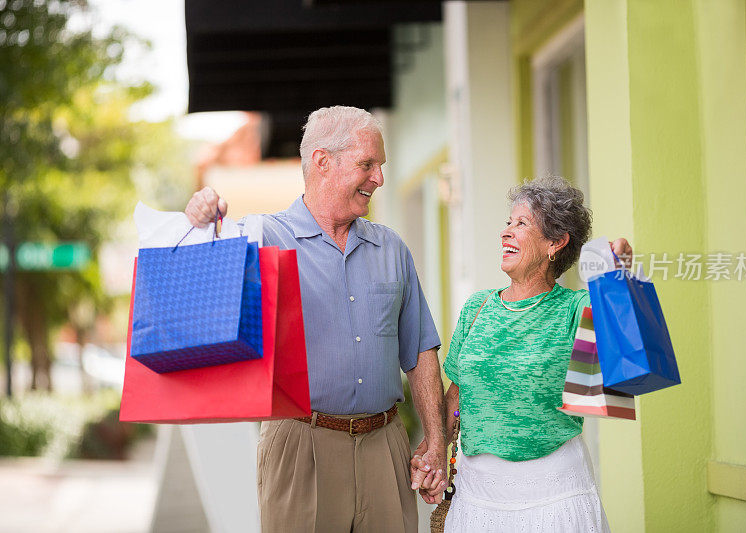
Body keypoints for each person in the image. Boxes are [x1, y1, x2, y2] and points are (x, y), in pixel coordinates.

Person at [185, 106, 448, 533]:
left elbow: (419, 350)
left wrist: (435, 441)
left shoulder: (392, 249)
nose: (379, 178)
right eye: (368, 164)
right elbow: (212, 259)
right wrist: (204, 220)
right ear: (323, 162)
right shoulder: (267, 237)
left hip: (385, 446)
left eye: (381, 166)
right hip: (300, 445)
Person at [413, 176, 631, 532]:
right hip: (476, 494)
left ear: (556, 243)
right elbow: (457, 396)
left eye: (521, 224)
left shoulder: (576, 308)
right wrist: (435, 451)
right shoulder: (477, 307)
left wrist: (619, 266)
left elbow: (622, 354)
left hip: (554, 494)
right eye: (507, 222)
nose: (506, 232)